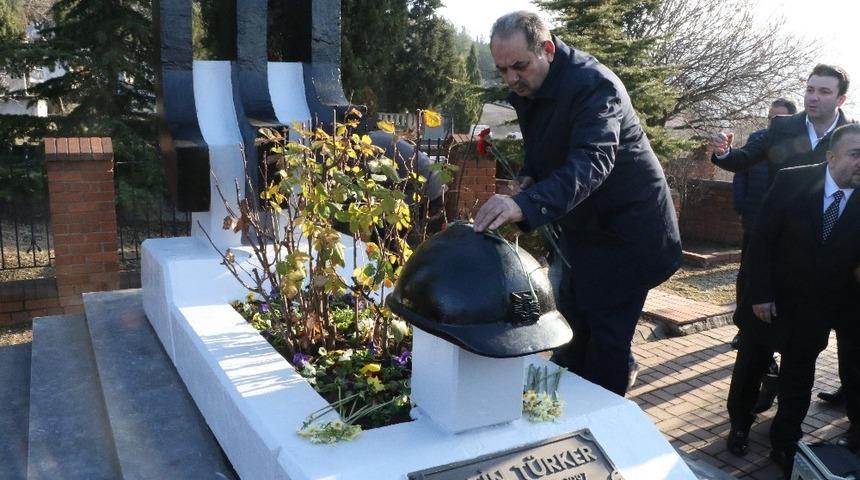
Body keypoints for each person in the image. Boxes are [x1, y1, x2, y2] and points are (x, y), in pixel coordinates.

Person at [473, 11, 682, 396]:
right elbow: (544, 143)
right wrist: (531, 176)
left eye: (519, 66)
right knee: (571, 327)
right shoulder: (531, 86)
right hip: (584, 230)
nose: (511, 79)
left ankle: (597, 425)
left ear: (547, 49)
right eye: (502, 70)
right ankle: (559, 408)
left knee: (605, 343)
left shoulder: (594, 86)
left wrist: (526, 204)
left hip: (627, 234)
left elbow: (593, 160)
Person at [710, 65, 854, 457]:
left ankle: (786, 439)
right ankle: (740, 423)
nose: (813, 98)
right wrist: (723, 154)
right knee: (753, 355)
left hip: (822, 273)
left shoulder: (851, 140)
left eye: (824, 92)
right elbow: (744, 159)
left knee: (801, 365)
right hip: (774, 247)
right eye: (809, 89)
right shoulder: (784, 132)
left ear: (840, 99)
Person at [744, 123, 860, 476]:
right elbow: (761, 239)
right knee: (795, 372)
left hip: (848, 301)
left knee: (851, 369)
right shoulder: (793, 181)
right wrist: (761, 293)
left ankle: (851, 432)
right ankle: (783, 442)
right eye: (856, 155)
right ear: (831, 156)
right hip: (795, 299)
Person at [727, 99, 797, 418]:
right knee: (748, 279)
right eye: (771, 118)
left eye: (780, 119)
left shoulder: (798, 146)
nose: (774, 124)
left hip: (785, 237)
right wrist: (742, 207)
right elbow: (739, 171)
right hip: (753, 223)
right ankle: (745, 327)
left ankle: (775, 384)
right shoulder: (757, 141)